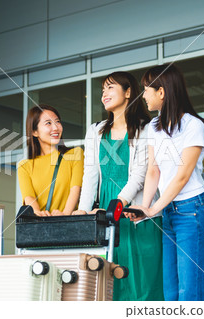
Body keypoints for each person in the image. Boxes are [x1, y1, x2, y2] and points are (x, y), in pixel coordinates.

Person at [74, 71, 164, 301]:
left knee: (143, 279)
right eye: (103, 89)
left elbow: (140, 175)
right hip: (105, 212)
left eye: (110, 87)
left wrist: (119, 204)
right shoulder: (95, 130)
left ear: (128, 92)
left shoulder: (147, 128)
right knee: (110, 280)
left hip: (135, 210)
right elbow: (90, 175)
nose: (104, 93)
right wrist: (84, 212)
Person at [129, 63, 204, 301]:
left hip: (193, 210)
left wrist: (154, 208)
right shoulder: (154, 127)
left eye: (146, 89)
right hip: (169, 213)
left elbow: (183, 174)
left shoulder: (192, 125)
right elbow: (153, 171)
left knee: (192, 293)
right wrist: (144, 207)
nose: (143, 94)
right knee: (171, 292)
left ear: (162, 92)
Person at [18, 104, 84, 216]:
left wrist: (64, 215)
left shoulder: (75, 154)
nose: (56, 127)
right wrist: (38, 214)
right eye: (48, 123)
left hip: (70, 225)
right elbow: (29, 197)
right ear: (35, 132)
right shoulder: (24, 166)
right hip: (41, 228)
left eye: (57, 122)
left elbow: (75, 189)